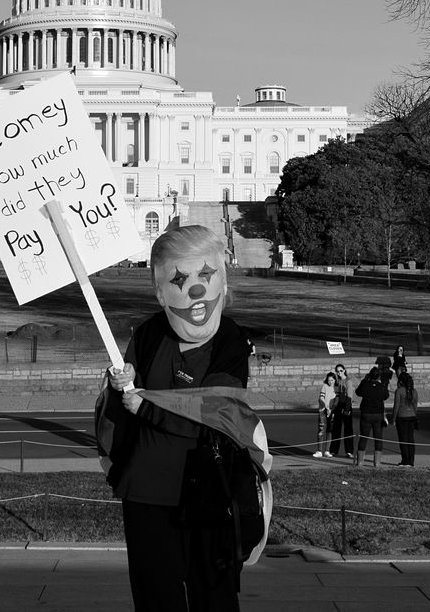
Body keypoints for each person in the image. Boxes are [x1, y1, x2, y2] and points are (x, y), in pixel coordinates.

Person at [97, 225, 272, 612]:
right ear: (160, 294)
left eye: (205, 276)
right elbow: (122, 407)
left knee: (214, 596)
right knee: (156, 598)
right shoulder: (148, 335)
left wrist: (147, 406)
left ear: (224, 283)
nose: (195, 290)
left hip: (211, 492)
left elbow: (217, 414)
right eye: (180, 280)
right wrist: (118, 384)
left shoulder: (230, 342)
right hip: (148, 491)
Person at [354, 366, 390, 467]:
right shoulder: (381, 386)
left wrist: (365, 381)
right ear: (379, 377)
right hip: (378, 414)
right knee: (378, 438)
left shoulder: (365, 385)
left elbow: (358, 392)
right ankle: (377, 462)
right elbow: (386, 396)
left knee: (364, 437)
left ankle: (360, 461)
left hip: (366, 413)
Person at [393, 371, 419, 466]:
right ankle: (411, 461)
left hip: (402, 417)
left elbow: (396, 406)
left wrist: (393, 419)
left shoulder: (399, 391)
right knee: (410, 439)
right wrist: (415, 415)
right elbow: (415, 406)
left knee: (403, 440)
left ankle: (405, 460)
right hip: (411, 416)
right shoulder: (414, 391)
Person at [329, 363, 355, 459]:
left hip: (346, 405)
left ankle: (349, 451)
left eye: (341, 370)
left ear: (344, 370)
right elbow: (335, 394)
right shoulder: (336, 381)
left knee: (348, 430)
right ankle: (333, 450)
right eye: (337, 371)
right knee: (336, 429)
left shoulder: (348, 381)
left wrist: (347, 409)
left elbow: (350, 395)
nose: (339, 373)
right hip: (338, 406)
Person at [314, 371, 335, 457]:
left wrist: (331, 409)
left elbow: (336, 400)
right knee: (321, 430)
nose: (331, 382)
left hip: (331, 411)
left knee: (329, 430)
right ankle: (319, 451)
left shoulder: (336, 388)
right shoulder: (324, 386)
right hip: (323, 410)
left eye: (332, 380)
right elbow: (321, 397)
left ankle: (327, 450)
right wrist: (326, 406)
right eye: (329, 380)